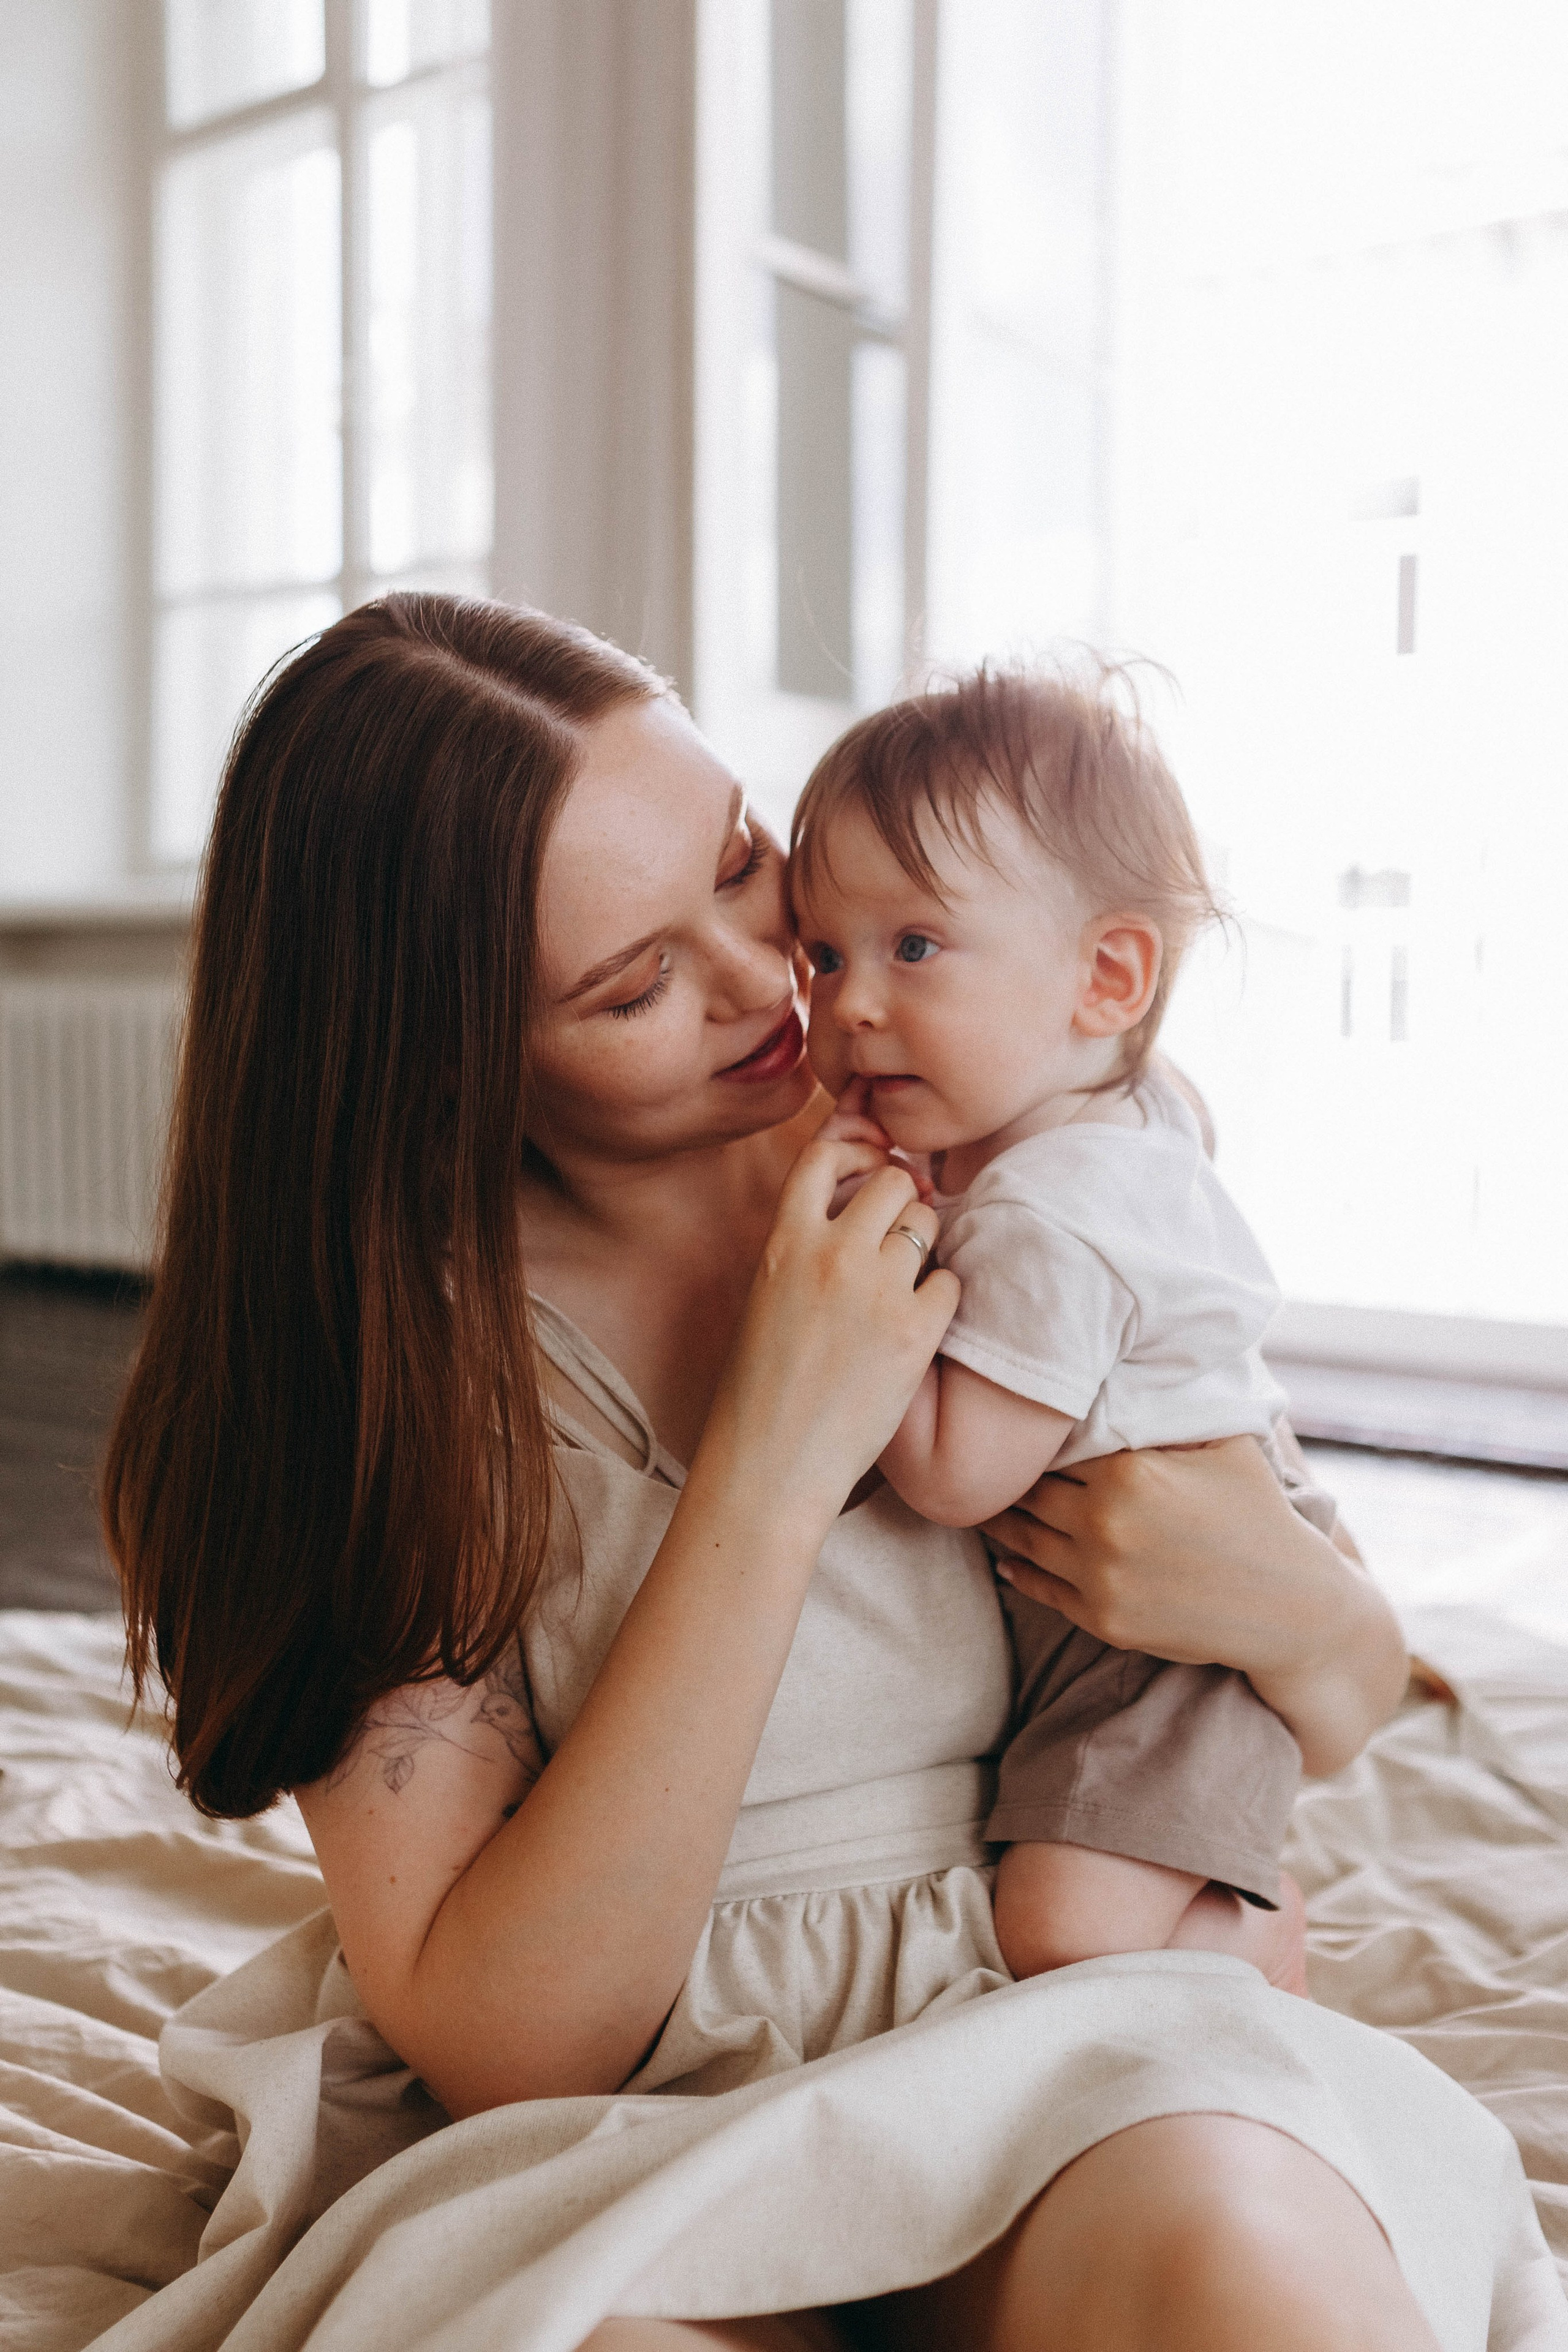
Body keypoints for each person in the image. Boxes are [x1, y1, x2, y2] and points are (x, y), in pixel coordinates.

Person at [103, 593, 1536, 2352]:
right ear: (450, 1049)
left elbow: (1343, 1686)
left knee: (1248, 2281)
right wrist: (774, 1469)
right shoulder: (385, 1367)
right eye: (634, 984)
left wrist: (1284, 1602)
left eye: (742, 864)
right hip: (615, 2125)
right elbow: (517, 2040)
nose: (769, 985)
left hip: (1050, 2037)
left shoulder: (976, 1137)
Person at [791, 668, 1306, 1992]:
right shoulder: (1116, 1108)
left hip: (1155, 1658)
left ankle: (1257, 1950)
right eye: (822, 953)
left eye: (913, 948)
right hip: (1186, 1566)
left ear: (1105, 976)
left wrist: (865, 1270)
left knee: (1056, 1935)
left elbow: (955, 1472)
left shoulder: (1049, 1214)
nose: (850, 1005)